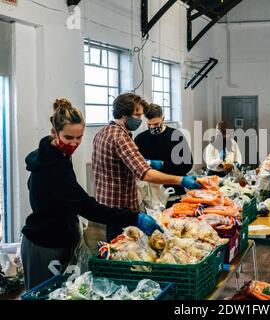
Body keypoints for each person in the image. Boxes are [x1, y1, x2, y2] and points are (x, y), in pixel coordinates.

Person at [21, 99, 163, 290]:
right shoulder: (52, 167)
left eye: (79, 137)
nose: (75, 143)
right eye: (69, 137)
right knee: (43, 293)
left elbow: (42, 191)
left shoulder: (56, 154)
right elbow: (86, 207)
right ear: (54, 133)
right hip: (44, 243)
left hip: (62, 237)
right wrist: (134, 217)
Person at [92, 93, 201, 241]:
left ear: (162, 118)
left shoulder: (102, 133)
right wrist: (181, 180)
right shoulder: (123, 138)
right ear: (124, 115)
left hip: (111, 207)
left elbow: (185, 162)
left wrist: (164, 166)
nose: (140, 119)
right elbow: (146, 173)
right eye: (137, 115)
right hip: (122, 209)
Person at [134, 103, 193, 195]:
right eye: (149, 124)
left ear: (163, 119)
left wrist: (164, 164)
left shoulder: (176, 136)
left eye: (156, 124)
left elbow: (187, 164)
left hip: (174, 188)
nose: (152, 127)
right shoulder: (140, 139)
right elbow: (136, 167)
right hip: (150, 192)